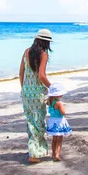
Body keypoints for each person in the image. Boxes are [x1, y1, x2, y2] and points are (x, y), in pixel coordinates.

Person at [19, 28, 52, 163]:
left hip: (26, 92)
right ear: (46, 42)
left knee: (30, 120)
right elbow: (41, 76)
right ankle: (34, 153)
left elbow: (21, 73)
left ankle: (34, 149)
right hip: (37, 92)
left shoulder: (26, 52)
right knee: (38, 121)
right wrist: (52, 87)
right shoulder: (43, 54)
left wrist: (24, 88)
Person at [46, 82, 72, 161]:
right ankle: (57, 154)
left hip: (52, 121)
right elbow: (63, 112)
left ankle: (53, 153)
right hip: (59, 121)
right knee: (60, 139)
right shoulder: (59, 103)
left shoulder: (49, 102)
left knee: (54, 139)